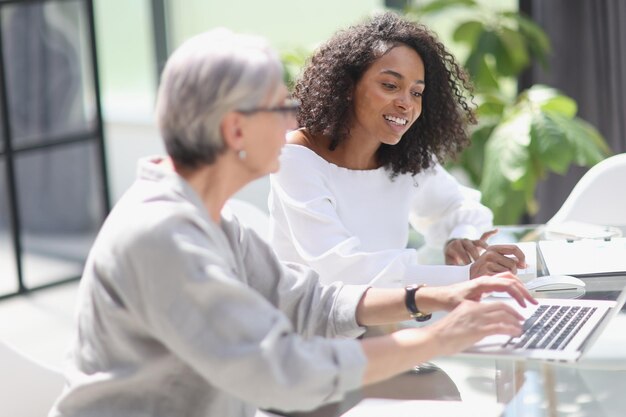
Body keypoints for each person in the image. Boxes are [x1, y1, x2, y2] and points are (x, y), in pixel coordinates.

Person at [48, 28, 535, 417]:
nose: (294, 124)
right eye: (281, 108)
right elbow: (279, 370)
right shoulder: (162, 236)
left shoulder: (219, 223)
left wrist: (435, 295)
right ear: (236, 129)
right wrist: (435, 337)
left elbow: (311, 301)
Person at [268, 12, 526, 288]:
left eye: (417, 92)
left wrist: (460, 236)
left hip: (388, 315)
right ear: (347, 86)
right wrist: (466, 275)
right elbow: (342, 269)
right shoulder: (296, 157)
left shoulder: (404, 156)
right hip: (313, 327)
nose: (407, 103)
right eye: (390, 86)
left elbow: (459, 207)